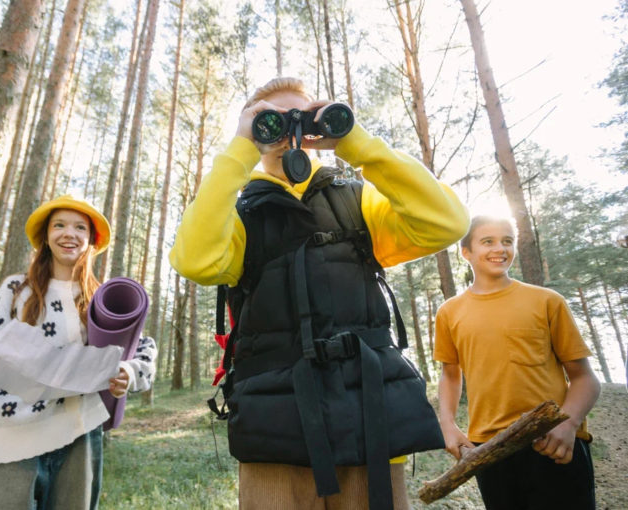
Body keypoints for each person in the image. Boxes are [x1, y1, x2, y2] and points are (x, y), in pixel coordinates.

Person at [170, 77, 469, 510]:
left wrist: (357, 144)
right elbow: (194, 260)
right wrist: (239, 150)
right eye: (270, 121)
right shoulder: (236, 216)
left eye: (303, 119)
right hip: (275, 426)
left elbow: (446, 223)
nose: (290, 131)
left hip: (368, 411)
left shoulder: (357, 202)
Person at [0, 195, 157, 510]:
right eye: (59, 225)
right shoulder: (15, 289)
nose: (69, 234)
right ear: (46, 236)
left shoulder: (103, 298)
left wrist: (129, 372)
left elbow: (143, 349)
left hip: (78, 437)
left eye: (79, 227)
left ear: (91, 240)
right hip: (5, 435)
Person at [434, 215, 601, 510]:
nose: (500, 248)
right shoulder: (449, 312)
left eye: (507, 241)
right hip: (489, 450)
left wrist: (569, 423)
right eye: (488, 241)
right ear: (466, 252)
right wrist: (447, 424)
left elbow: (585, 378)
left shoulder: (547, 301)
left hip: (554, 443)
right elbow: (450, 374)